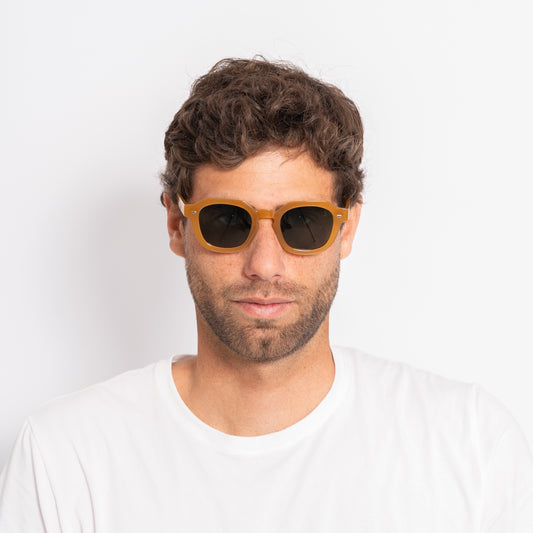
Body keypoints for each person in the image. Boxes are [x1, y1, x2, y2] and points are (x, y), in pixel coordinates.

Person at [1, 57, 532, 532]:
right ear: (176, 224)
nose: (264, 265)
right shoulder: (67, 457)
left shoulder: (470, 445)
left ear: (347, 228)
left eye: (302, 223)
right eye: (227, 221)